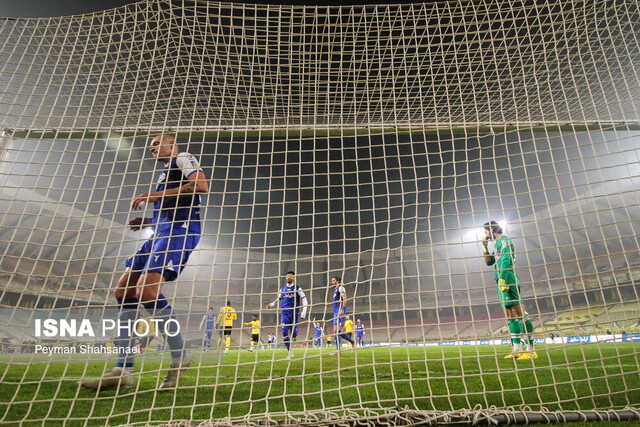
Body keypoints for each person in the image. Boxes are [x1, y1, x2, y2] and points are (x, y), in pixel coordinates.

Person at [81, 134, 208, 391]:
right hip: (162, 230)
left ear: (172, 144)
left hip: (179, 231)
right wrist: (148, 222)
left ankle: (180, 355)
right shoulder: (165, 172)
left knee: (147, 291)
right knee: (123, 290)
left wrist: (152, 196)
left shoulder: (183, 158)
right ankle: (122, 369)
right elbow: (172, 206)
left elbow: (202, 186)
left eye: (156, 142)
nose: (151, 147)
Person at [482, 221, 536, 360]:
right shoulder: (498, 245)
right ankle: (517, 350)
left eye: (486, 231)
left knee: (520, 314)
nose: (485, 234)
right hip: (501, 281)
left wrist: (503, 279)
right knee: (510, 316)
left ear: (492, 229)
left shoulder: (505, 241)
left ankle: (531, 350)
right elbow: (489, 262)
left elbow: (506, 260)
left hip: (509, 280)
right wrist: (485, 247)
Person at [265, 271, 308, 360]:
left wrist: (304, 311)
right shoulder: (282, 289)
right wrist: (271, 305)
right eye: (287, 276)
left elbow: (304, 299)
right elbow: (277, 300)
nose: (289, 277)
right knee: (284, 333)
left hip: (294, 313)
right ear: (286, 278)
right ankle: (290, 352)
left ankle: (294, 335)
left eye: (290, 276)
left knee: (293, 334)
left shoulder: (297, 288)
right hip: (285, 313)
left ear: (293, 278)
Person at [331, 277, 355, 353]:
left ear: (337, 281)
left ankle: (338, 350)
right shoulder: (335, 290)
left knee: (336, 331)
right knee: (336, 331)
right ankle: (352, 341)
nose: (332, 282)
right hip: (335, 312)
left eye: (333, 280)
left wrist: (342, 309)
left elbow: (345, 299)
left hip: (339, 311)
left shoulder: (341, 288)